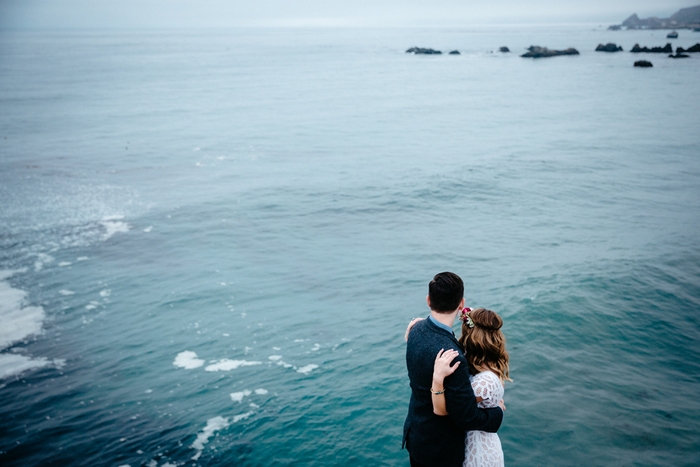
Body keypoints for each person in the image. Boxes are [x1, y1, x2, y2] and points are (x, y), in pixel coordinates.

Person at [403, 272, 504, 467]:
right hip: (440, 451)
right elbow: (466, 417)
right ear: (461, 303)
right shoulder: (453, 357)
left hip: (416, 437)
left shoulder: (415, 330)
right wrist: (496, 413)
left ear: (428, 300)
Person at [432, 307, 512, 467]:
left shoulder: (485, 382)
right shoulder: (481, 365)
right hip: (474, 447)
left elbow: (448, 408)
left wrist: (437, 379)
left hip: (479, 454)